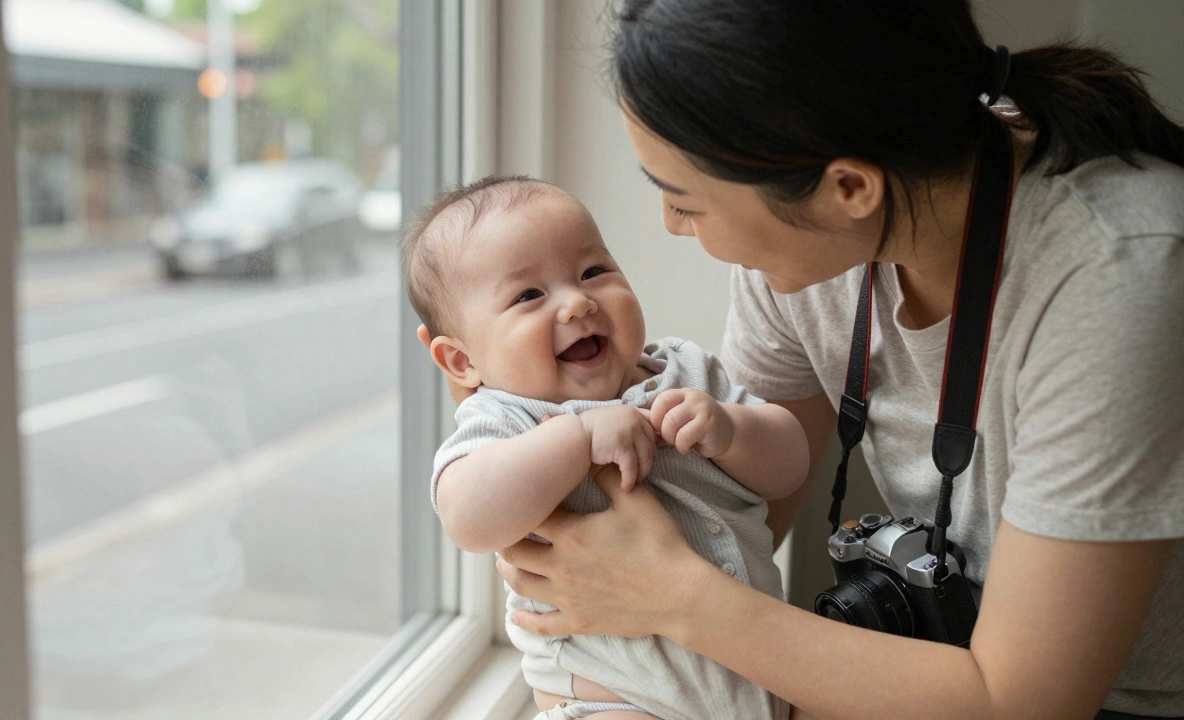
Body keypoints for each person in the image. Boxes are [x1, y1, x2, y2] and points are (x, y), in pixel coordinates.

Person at [474, 2, 1184, 719]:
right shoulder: (811, 245)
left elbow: (1024, 702)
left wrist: (670, 594)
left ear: (848, 188)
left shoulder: (1120, 272)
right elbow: (744, 504)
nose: (671, 225)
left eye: (686, 200)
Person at [406, 176, 811, 720]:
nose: (577, 303)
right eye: (529, 295)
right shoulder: (508, 416)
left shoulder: (683, 371)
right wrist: (576, 438)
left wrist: (734, 430)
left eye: (593, 272)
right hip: (613, 701)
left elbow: (791, 465)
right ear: (462, 362)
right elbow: (467, 516)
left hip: (766, 681)